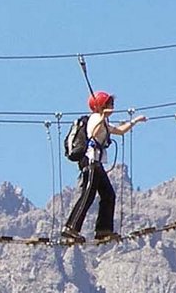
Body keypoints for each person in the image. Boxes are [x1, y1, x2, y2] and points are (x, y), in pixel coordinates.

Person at [62, 90, 146, 242]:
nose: (112, 107)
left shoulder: (104, 121)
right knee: (88, 194)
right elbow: (93, 133)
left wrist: (135, 121)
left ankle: (103, 230)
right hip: (91, 161)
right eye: (109, 104)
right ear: (102, 106)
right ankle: (71, 227)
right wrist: (101, 117)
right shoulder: (95, 118)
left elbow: (120, 131)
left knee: (108, 195)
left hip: (97, 164)